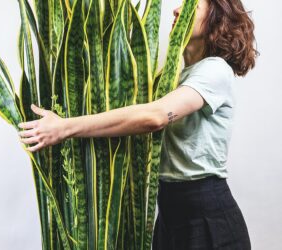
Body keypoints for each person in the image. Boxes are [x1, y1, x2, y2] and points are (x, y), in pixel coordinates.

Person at [17, 0, 259, 249]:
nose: (177, 10)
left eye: (191, 7)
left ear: (217, 20)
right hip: (170, 215)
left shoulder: (215, 71)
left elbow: (154, 117)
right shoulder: (173, 76)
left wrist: (65, 127)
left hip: (207, 214)